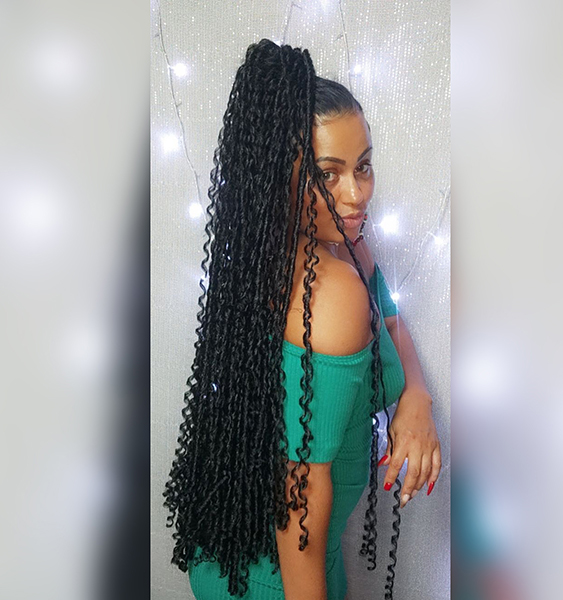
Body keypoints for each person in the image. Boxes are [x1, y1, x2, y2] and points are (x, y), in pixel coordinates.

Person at [163, 38, 442, 600]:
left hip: (252, 554)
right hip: (280, 577)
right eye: (328, 174)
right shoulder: (330, 295)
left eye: (363, 167)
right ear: (280, 176)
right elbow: (300, 501)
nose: (356, 193)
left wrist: (417, 398)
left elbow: (389, 317)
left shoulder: (317, 247)